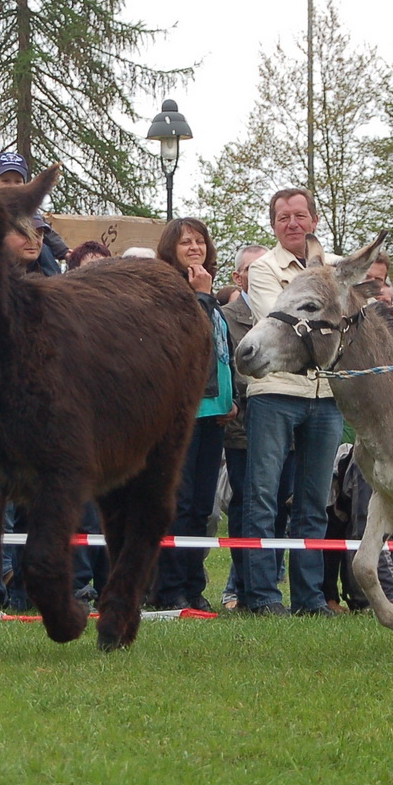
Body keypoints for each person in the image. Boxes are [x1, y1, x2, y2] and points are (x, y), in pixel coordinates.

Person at [240, 188, 342, 616]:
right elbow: (286, 323)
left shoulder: (337, 266)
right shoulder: (263, 268)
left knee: (314, 501)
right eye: (283, 217)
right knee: (262, 496)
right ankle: (262, 595)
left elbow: (353, 322)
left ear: (314, 220)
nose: (292, 223)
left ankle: (310, 598)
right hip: (274, 391)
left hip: (329, 395)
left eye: (300, 215)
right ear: (273, 225)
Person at [151, 218, 232, 612]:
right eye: (186, 242)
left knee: (203, 507)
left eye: (200, 241)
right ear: (171, 249)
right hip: (179, 414)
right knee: (178, 504)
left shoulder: (207, 292)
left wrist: (231, 396)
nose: (195, 248)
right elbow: (189, 339)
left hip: (213, 412)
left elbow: (221, 350)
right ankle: (168, 589)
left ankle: (194, 586)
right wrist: (202, 296)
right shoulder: (165, 290)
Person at [220, 243, 269, 610]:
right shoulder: (225, 317)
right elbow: (229, 367)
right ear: (238, 277)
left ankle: (265, 584)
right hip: (242, 428)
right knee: (246, 506)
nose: (260, 273)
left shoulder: (282, 311)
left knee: (276, 507)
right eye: (252, 268)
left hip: (282, 429)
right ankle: (241, 587)